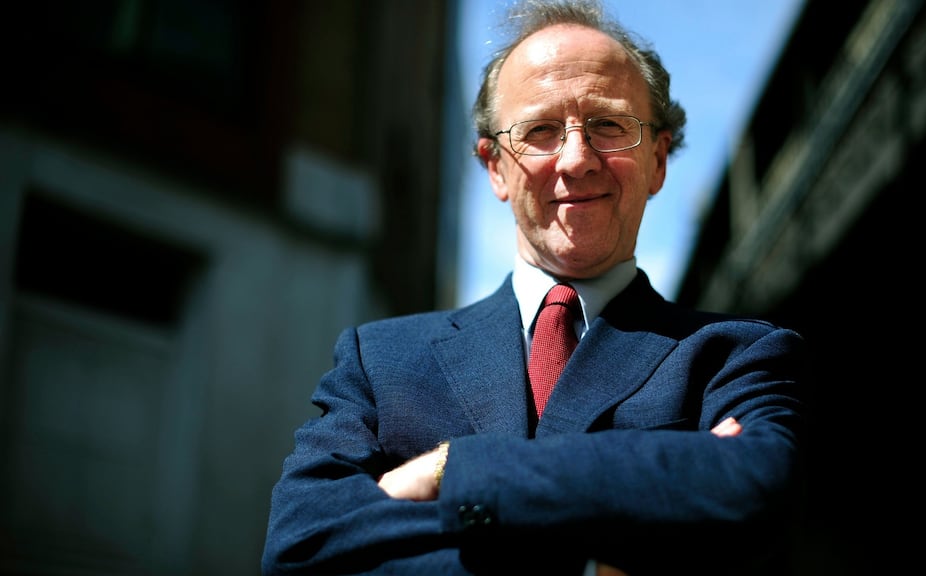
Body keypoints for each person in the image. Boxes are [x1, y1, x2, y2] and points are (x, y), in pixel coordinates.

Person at [261, 0, 809, 574]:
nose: (576, 160)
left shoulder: (736, 355)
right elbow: (303, 546)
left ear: (658, 161)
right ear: (495, 166)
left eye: (608, 126)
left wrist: (453, 470)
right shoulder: (379, 361)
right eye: (541, 131)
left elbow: (755, 491)